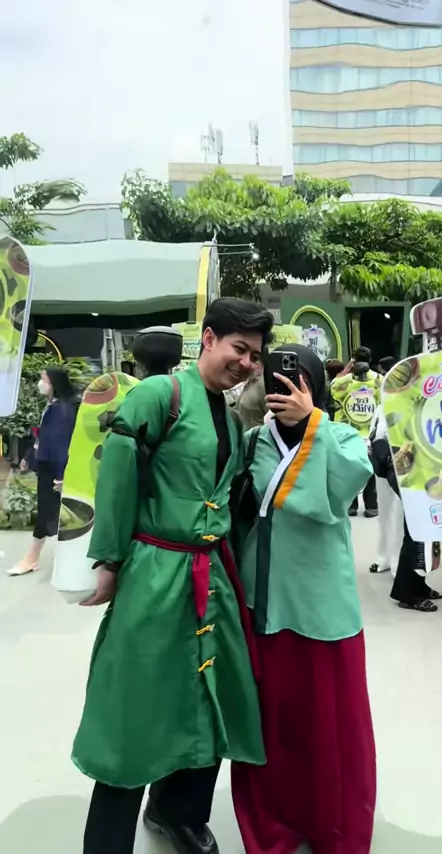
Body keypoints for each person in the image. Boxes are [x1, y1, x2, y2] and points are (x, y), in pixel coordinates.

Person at [73, 298, 273, 854]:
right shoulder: (161, 395)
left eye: (254, 356)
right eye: (239, 348)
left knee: (209, 698)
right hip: (156, 571)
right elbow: (118, 474)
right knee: (134, 706)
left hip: (212, 578)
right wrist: (110, 561)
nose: (246, 363)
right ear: (208, 339)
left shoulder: (228, 415)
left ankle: (178, 813)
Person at [231, 344, 376, 854]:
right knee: (274, 724)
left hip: (321, 609)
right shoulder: (251, 442)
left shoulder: (340, 436)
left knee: (329, 729)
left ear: (316, 385)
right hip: (263, 602)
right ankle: (274, 821)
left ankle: (333, 828)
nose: (287, 389)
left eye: (299, 379)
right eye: (278, 380)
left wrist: (312, 419)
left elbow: (347, 482)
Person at [6, 367, 77, 576]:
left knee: (49, 513)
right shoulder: (54, 406)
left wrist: (61, 475)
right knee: (50, 513)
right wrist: (29, 457)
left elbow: (61, 445)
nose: (40, 383)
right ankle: (39, 558)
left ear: (53, 383)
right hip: (48, 468)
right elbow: (43, 438)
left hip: (53, 471)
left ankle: (32, 559)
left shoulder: (61, 410)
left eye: (43, 379)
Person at [330, 356, 382, 518]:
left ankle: (357, 505)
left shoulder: (345, 384)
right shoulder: (378, 381)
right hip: (357, 433)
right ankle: (369, 506)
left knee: (357, 471)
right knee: (364, 471)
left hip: (358, 433)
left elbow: (333, 388)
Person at [368, 402, 403, 575]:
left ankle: (397, 562)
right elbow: (374, 431)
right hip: (382, 462)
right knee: (384, 512)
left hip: (403, 462)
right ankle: (384, 558)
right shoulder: (382, 404)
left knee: (398, 514)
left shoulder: (409, 400)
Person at [235, 348, 268, 429]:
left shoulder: (264, 384)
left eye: (253, 359)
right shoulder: (250, 381)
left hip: (256, 435)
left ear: (257, 363)